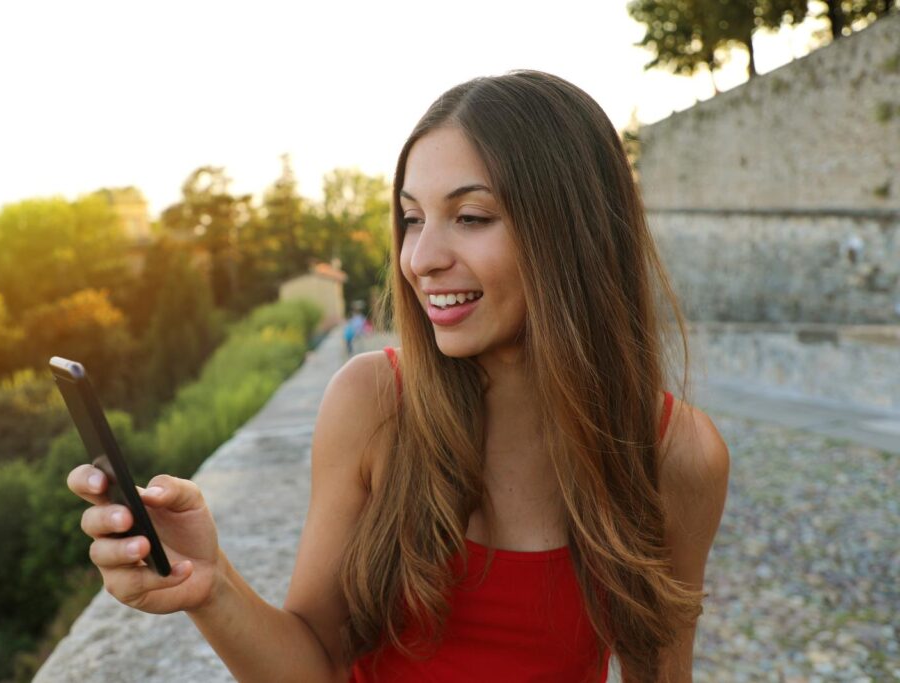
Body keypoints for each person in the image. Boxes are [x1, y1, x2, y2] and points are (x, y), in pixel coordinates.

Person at [67, 70, 730, 682]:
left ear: (572, 232)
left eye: (469, 217)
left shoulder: (679, 454)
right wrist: (209, 583)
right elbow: (316, 661)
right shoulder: (373, 403)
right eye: (412, 218)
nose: (421, 257)